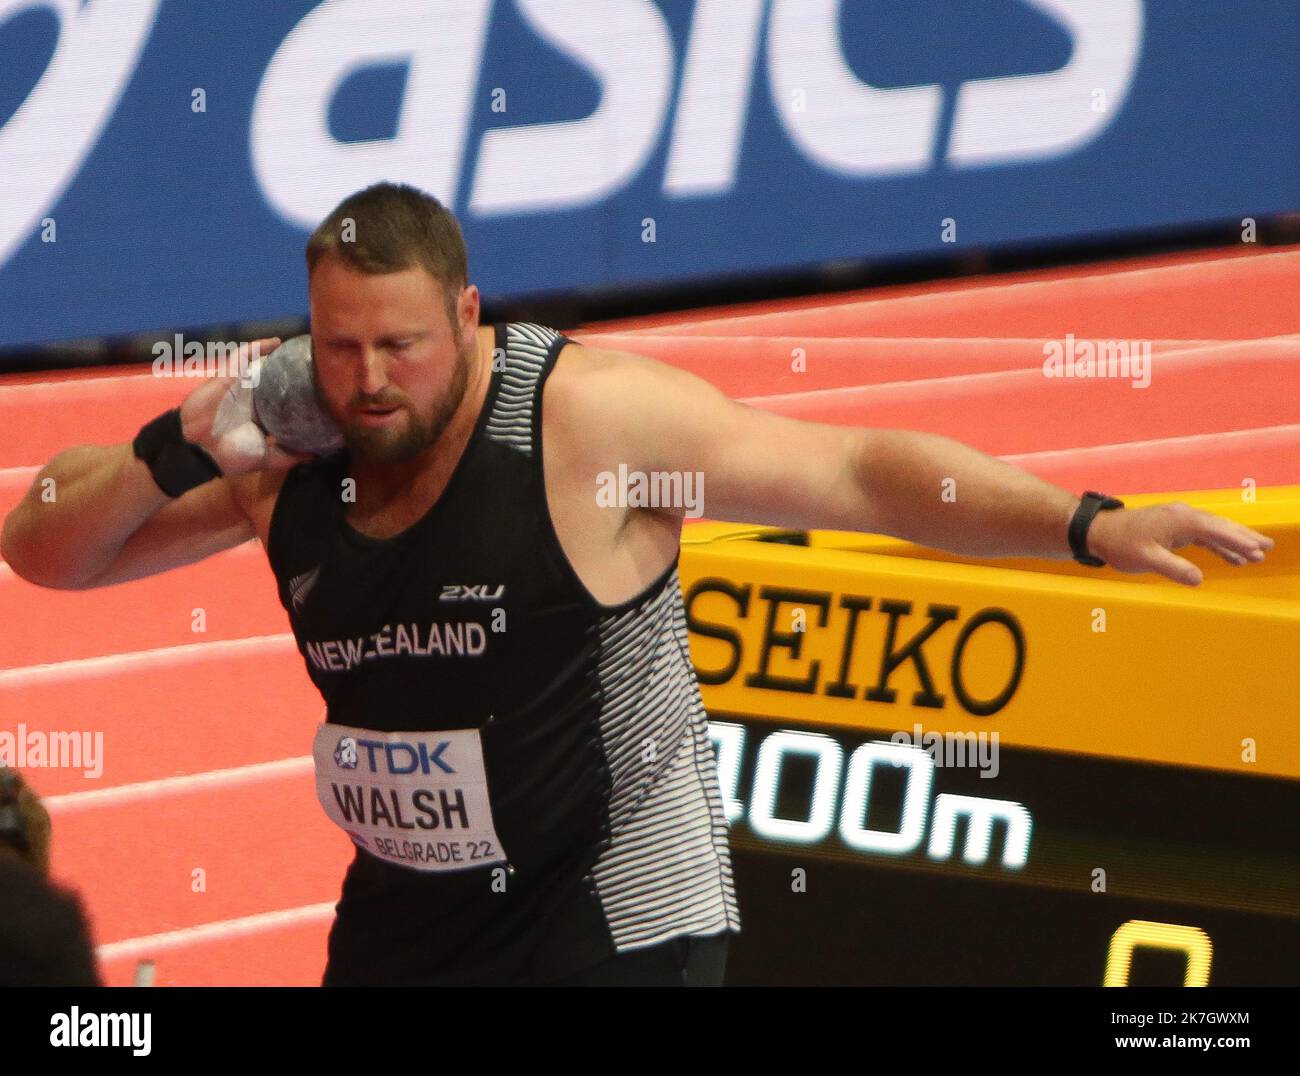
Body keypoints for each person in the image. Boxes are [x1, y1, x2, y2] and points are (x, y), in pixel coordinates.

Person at [0, 183, 1273, 986]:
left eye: (402, 344)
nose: (371, 377)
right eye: (339, 348)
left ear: (468, 315)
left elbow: (863, 473)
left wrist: (1086, 524)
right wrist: (181, 434)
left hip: (617, 923)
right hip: (403, 921)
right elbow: (47, 547)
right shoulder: (291, 449)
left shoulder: (589, 427)